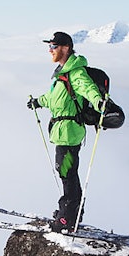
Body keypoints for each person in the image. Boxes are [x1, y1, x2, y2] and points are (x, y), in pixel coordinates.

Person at [27, 31, 105, 232]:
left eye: (53, 46)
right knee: (67, 172)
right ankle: (71, 213)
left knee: (67, 172)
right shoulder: (62, 74)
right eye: (49, 46)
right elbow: (53, 98)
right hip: (63, 132)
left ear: (65, 48)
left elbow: (88, 89)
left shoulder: (75, 73)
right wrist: (38, 102)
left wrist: (98, 102)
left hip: (69, 133)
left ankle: (67, 219)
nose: (50, 50)